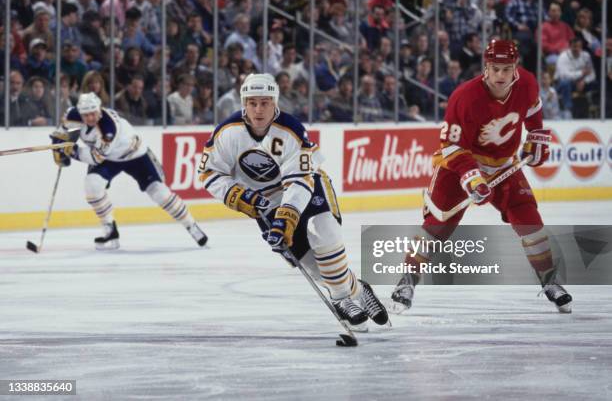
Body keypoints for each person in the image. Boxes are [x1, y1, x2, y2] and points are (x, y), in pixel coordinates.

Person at [390, 40, 572, 314]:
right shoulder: (464, 97)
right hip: (458, 165)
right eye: (495, 68)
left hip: (503, 165)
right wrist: (471, 177)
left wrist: (536, 137)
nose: (501, 75)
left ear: (515, 69)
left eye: (507, 69)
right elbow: (451, 146)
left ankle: (549, 281)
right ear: (486, 68)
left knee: (529, 218)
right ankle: (407, 281)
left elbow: (533, 110)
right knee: (438, 224)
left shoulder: (528, 84)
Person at [197, 73, 388, 330]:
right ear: (244, 102)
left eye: (265, 102)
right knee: (307, 262)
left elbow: (299, 180)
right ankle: (357, 289)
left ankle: (342, 299)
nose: (258, 109)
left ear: (275, 101)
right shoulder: (227, 132)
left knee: (326, 233)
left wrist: (287, 216)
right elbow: (209, 173)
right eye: (252, 103)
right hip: (265, 203)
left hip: (308, 186)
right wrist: (239, 197)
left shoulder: (291, 129)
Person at [50, 93, 208, 250]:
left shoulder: (108, 127)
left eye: (93, 113)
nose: (91, 117)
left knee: (159, 192)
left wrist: (72, 151)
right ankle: (109, 230)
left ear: (99, 109)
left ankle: (191, 225)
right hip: (110, 159)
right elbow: (60, 134)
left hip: (135, 154)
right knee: (92, 185)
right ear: (80, 112)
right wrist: (59, 147)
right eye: (86, 114)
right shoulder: (71, 115)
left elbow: (95, 157)